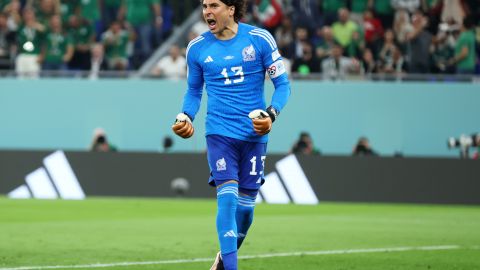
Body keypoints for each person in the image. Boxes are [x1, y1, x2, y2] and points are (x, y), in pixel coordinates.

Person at [171, 1, 291, 269]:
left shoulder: (259, 39)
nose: (207, 12)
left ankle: (223, 258)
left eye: (214, 5)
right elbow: (193, 91)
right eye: (204, 6)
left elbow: (282, 85)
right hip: (219, 134)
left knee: (246, 211)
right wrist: (185, 116)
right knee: (227, 198)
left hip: (253, 135)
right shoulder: (197, 48)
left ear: (232, 9)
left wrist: (271, 114)